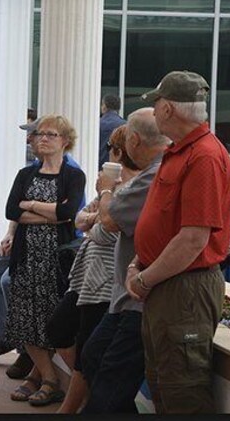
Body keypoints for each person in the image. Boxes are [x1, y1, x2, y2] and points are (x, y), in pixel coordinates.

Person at [127, 71, 230, 414]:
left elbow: (192, 240)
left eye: (156, 104)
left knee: (181, 391)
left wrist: (144, 278)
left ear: (169, 109)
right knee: (164, 382)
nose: (154, 112)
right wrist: (138, 264)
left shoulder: (203, 156)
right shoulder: (181, 152)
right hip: (169, 285)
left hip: (183, 289)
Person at [80, 108, 169, 414]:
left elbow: (107, 222)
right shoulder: (149, 174)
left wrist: (105, 188)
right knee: (93, 357)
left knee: (109, 384)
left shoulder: (155, 176)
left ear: (133, 141)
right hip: (126, 294)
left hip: (141, 296)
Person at [47, 125, 138, 414]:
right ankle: (86, 396)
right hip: (87, 278)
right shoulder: (111, 188)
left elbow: (103, 232)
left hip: (107, 280)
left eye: (111, 147)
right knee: (62, 331)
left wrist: (96, 218)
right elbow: (79, 219)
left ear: (121, 151)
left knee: (90, 348)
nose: (108, 153)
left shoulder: (127, 188)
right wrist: (96, 218)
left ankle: (72, 406)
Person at [5, 115, 85, 406]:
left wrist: (32, 205)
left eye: (51, 134)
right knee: (26, 319)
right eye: (39, 134)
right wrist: (49, 212)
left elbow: (68, 213)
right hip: (27, 257)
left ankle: (41, 378)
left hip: (57, 260)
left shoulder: (73, 176)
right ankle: (50, 378)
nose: (43, 139)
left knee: (53, 319)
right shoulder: (25, 175)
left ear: (65, 140)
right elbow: (12, 210)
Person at [99, 94, 125, 169]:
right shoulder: (124, 125)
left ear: (104, 106)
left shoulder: (96, 124)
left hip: (97, 166)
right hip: (116, 168)